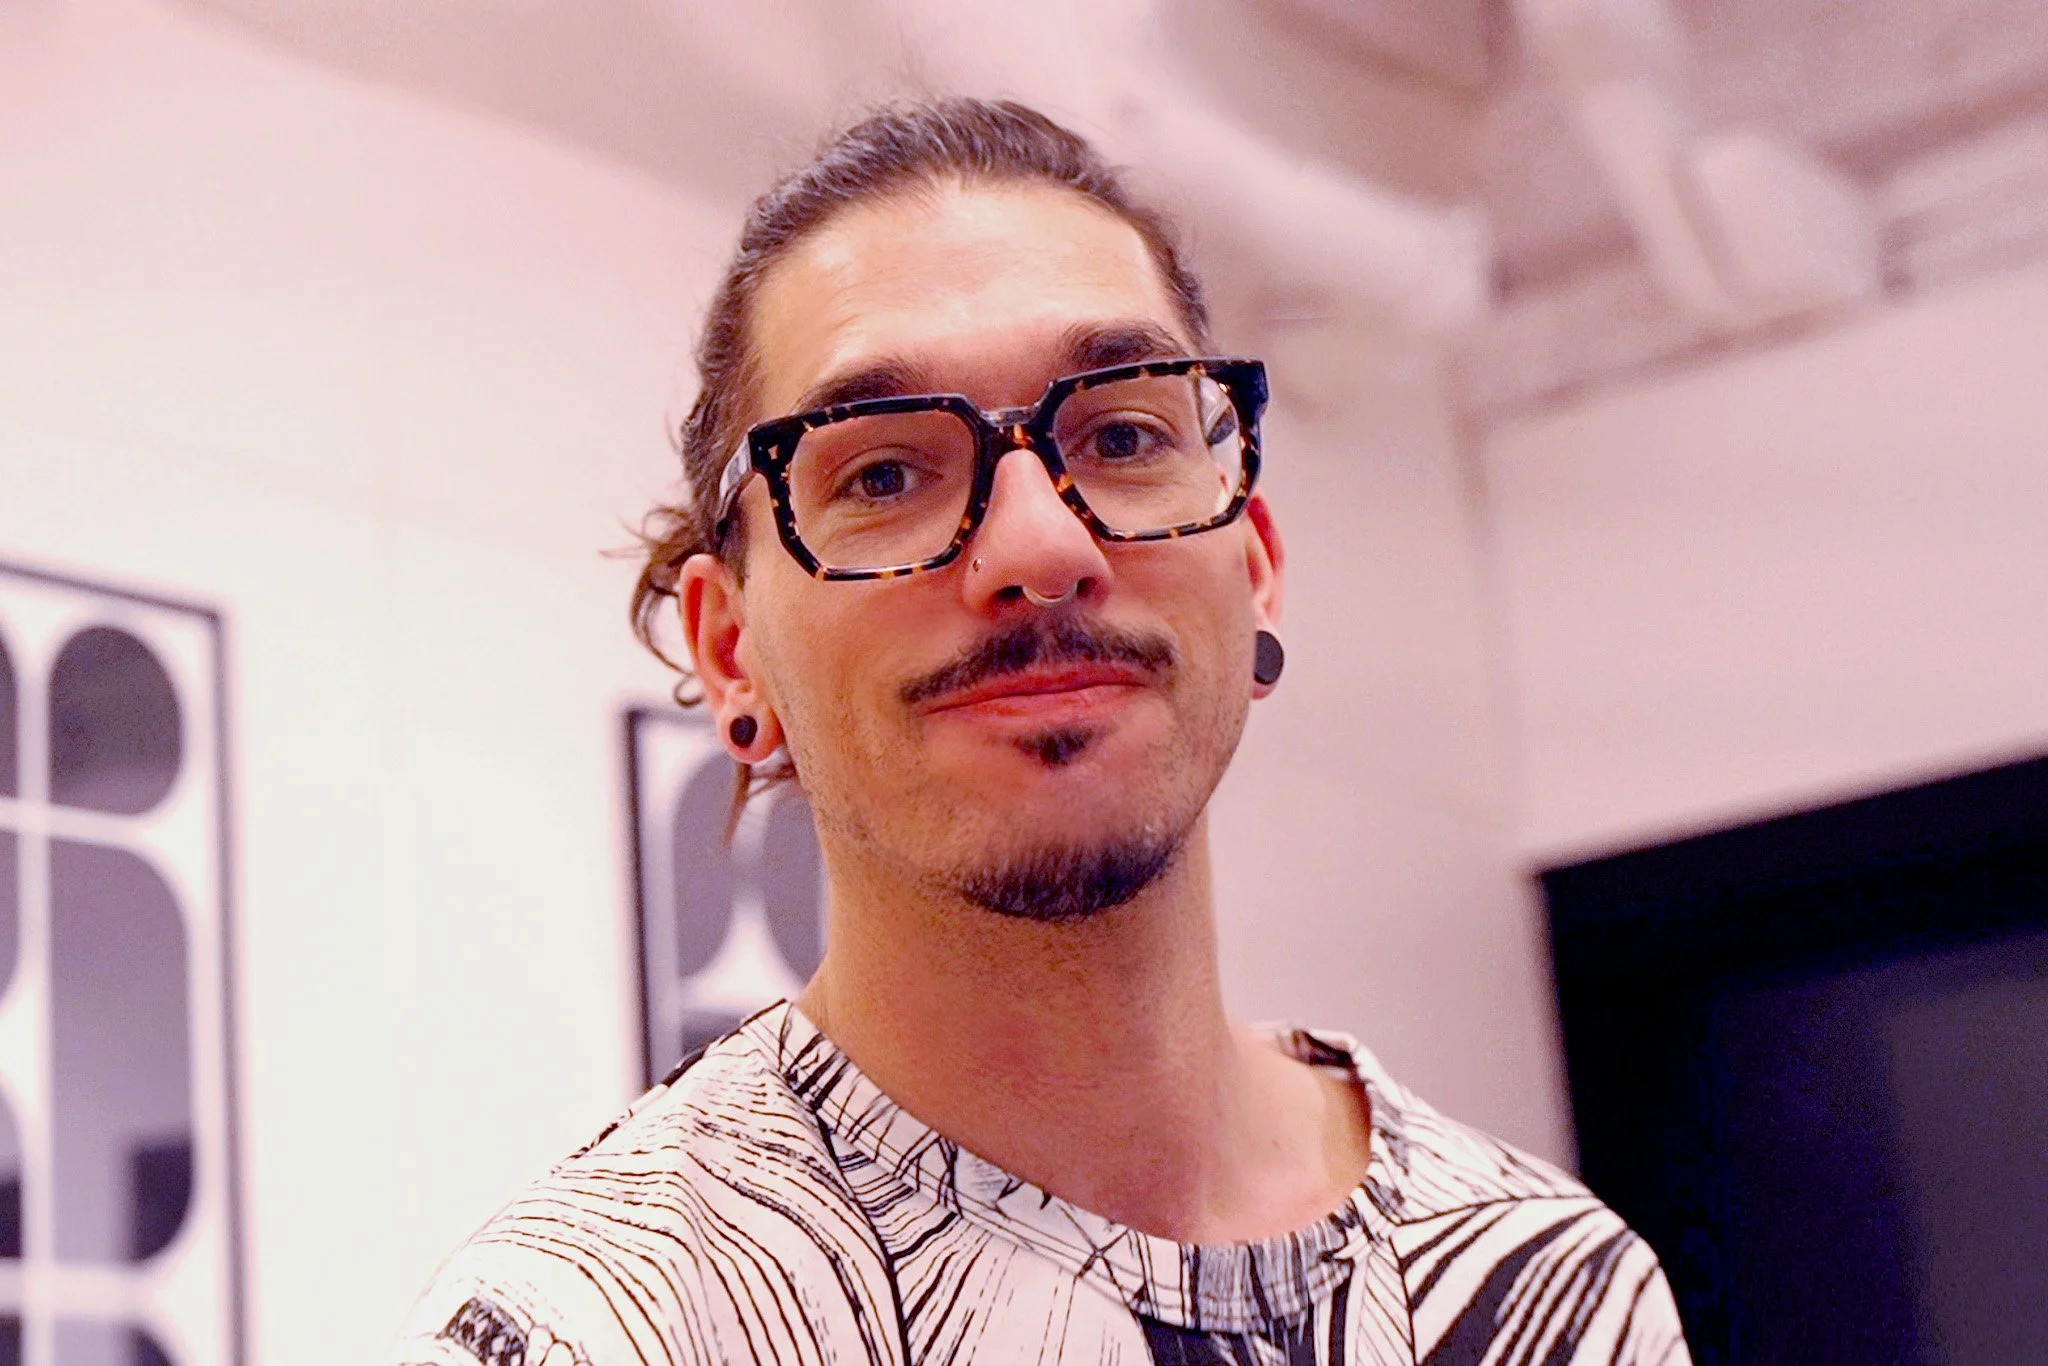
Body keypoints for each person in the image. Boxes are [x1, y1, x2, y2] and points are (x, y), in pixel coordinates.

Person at [392, 98, 1691, 1365]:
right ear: (733, 651)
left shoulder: (1562, 1294)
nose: (1039, 544)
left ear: (1256, 569)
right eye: (882, 473)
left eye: (1122, 433)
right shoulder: (583, 1333)